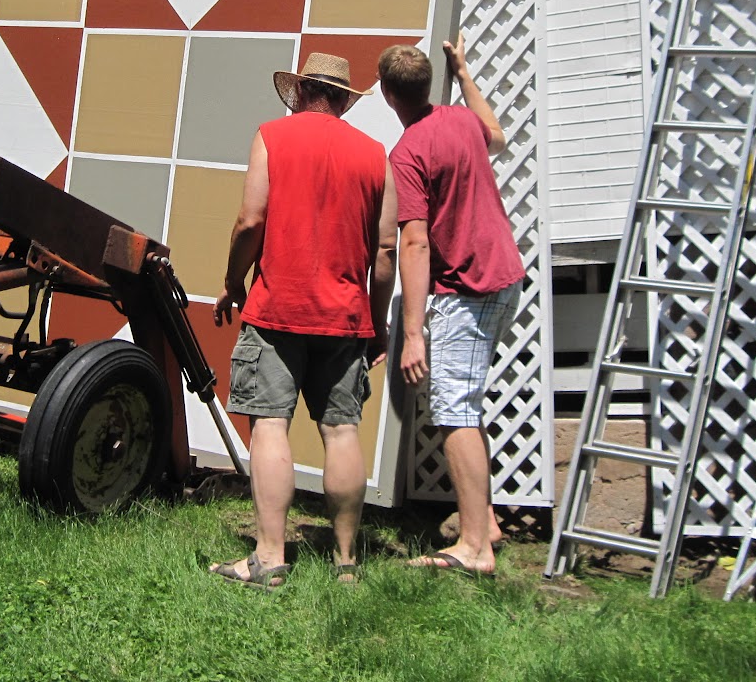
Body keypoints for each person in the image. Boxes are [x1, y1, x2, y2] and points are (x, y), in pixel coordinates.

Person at [210, 52, 397, 587]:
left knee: (270, 425)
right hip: (344, 318)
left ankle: (269, 558)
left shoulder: (272, 136)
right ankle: (346, 564)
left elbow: (250, 220)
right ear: (342, 99)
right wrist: (377, 320)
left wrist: (232, 281)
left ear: (300, 92)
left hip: (277, 310)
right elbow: (385, 250)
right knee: (341, 432)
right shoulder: (374, 155)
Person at [377, 40, 526, 578]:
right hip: (501, 276)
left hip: (470, 286)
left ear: (389, 94)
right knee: (464, 399)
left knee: (456, 409)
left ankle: (473, 548)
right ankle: (482, 521)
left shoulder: (409, 151)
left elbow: (413, 244)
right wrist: (464, 72)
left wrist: (411, 332)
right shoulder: (462, 121)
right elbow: (501, 135)